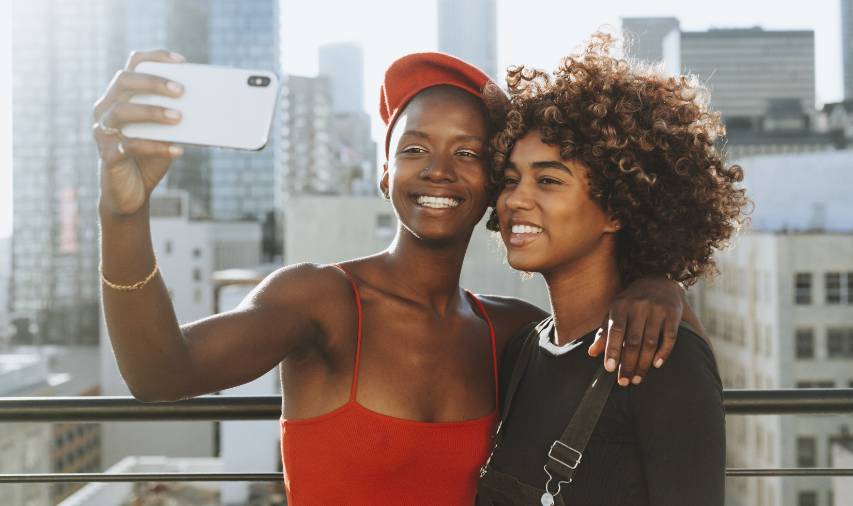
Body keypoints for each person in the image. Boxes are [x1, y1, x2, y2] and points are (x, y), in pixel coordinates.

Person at [92, 49, 700, 505]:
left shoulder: (516, 334)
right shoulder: (319, 300)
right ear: (384, 174)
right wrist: (123, 214)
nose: (438, 170)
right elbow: (159, 373)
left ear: (493, 184)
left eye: (467, 152)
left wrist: (657, 282)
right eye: (414, 149)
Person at [477, 33, 748, 506]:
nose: (515, 200)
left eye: (548, 180)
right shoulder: (523, 350)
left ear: (618, 209)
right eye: (509, 179)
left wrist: (669, 289)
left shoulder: (662, 357)